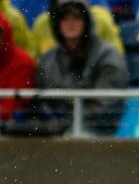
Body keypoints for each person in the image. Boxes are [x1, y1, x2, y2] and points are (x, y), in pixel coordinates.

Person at [34, 0, 127, 134]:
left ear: (87, 22)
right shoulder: (48, 59)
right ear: (57, 24)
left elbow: (105, 104)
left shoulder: (108, 56)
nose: (71, 23)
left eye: (76, 17)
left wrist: (68, 120)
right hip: (56, 128)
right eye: (65, 18)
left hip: (99, 129)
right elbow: (43, 101)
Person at [28, 0, 120, 54]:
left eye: (76, 17)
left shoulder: (102, 21)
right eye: (66, 18)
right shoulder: (41, 24)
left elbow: (115, 62)